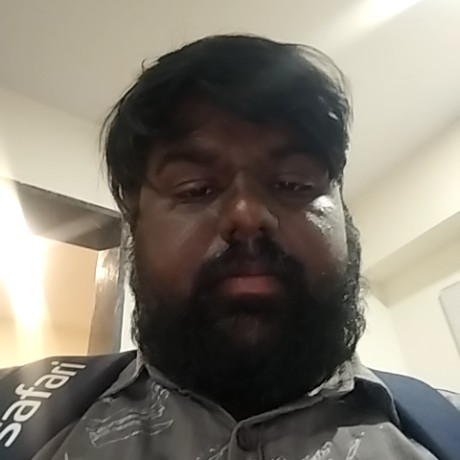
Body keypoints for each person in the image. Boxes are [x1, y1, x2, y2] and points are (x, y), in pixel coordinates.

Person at [1, 35, 459, 460]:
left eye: (293, 183)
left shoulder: (447, 428)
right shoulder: (17, 413)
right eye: (195, 188)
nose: (247, 215)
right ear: (134, 225)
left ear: (343, 212)